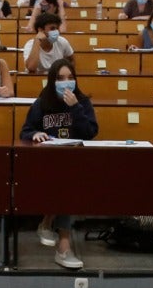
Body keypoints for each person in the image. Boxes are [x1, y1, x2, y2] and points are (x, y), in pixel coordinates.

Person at [21, 58, 99, 270]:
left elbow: (90, 133)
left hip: (73, 164)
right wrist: (35, 133)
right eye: (60, 78)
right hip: (46, 164)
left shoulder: (82, 103)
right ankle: (62, 244)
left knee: (69, 180)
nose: (66, 82)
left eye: (70, 78)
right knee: (65, 180)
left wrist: (75, 108)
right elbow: (25, 131)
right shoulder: (41, 104)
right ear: (52, 81)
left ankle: (56, 234)